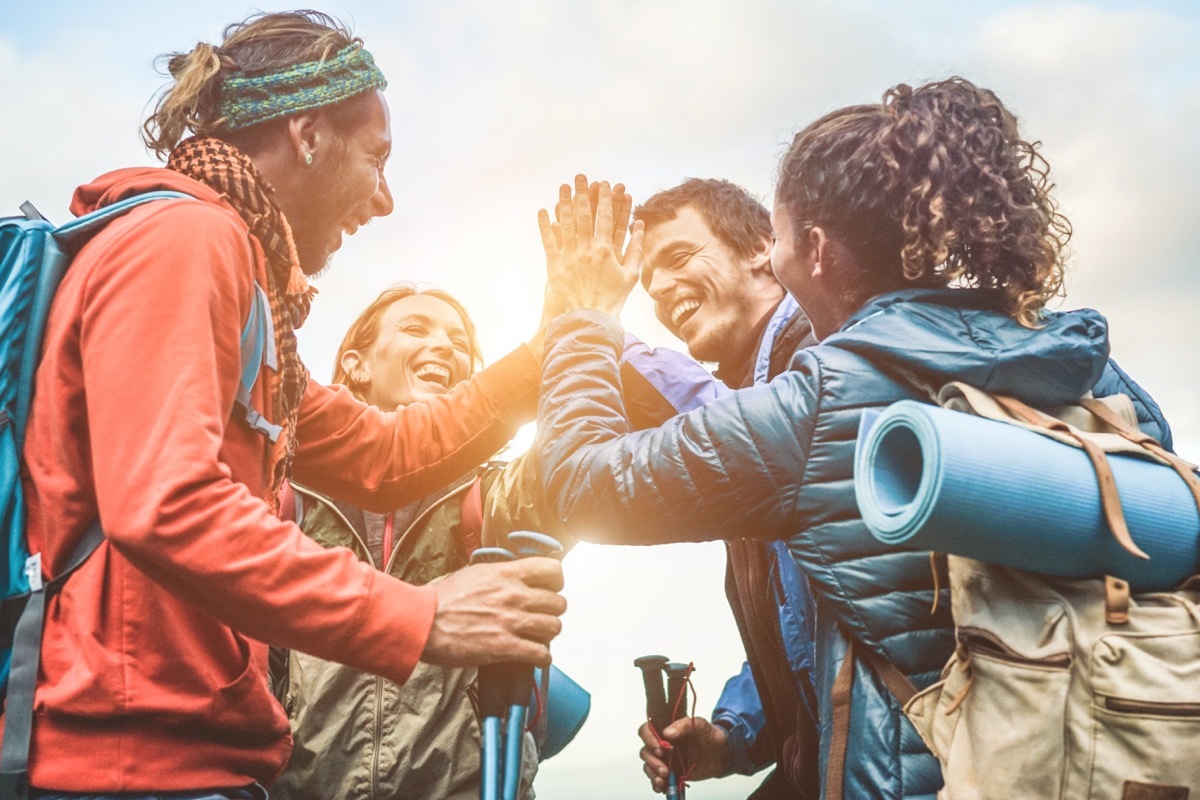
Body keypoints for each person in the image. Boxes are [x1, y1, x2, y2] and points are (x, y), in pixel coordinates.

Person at [535, 78, 1171, 799]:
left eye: (777, 241)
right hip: (1082, 757)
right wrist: (740, 733)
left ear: (811, 249)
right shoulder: (1061, 351)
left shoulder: (824, 398)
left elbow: (578, 484)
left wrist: (581, 318)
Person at [18, 11, 580, 797]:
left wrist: (559, 338)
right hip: (128, 767)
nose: (385, 200)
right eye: (377, 158)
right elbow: (167, 505)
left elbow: (385, 457)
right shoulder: (187, 239)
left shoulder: (249, 302)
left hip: (183, 760)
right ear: (308, 134)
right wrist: (421, 619)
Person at [271, 284, 553, 800]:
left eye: (458, 340)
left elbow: (571, 464)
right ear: (356, 366)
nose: (445, 345)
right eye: (416, 329)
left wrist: (566, 332)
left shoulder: (491, 495)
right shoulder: (286, 496)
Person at [632, 178, 820, 798]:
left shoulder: (823, 356)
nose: (658, 289)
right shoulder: (746, 392)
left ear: (762, 247)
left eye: (679, 257)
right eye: (647, 280)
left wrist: (594, 335)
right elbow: (805, 626)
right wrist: (728, 736)